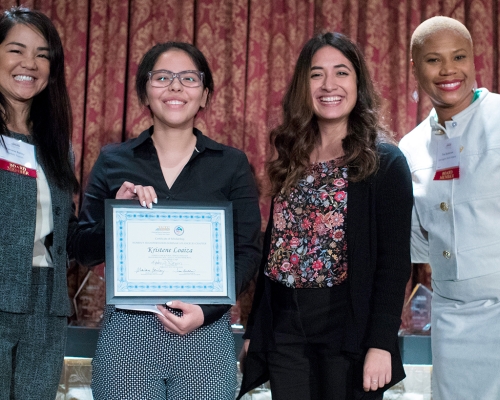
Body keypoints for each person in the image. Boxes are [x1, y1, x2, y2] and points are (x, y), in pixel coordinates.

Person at [69, 42, 262, 399]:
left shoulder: (231, 164)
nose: (175, 87)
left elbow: (249, 252)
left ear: (204, 95)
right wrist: (116, 215)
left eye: (188, 78)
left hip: (206, 333)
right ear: (145, 90)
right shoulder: (113, 160)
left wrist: (207, 311)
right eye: (162, 77)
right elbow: (81, 249)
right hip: (128, 334)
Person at [238, 32, 413, 400]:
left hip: (348, 328)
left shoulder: (384, 161)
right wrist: (256, 328)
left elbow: (395, 262)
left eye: (341, 73)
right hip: (286, 326)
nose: (328, 85)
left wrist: (381, 343)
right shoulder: (291, 155)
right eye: (316, 74)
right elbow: (275, 248)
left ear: (359, 82)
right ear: (303, 84)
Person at [399, 16, 500, 400]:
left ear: (475, 59)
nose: (448, 70)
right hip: (451, 318)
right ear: (415, 67)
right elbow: (417, 243)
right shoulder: (409, 147)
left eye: (459, 56)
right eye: (433, 60)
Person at [0, 6, 78, 399]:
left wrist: (120, 210)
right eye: (16, 50)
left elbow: (65, 228)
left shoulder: (57, 146)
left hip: (46, 303)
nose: (29, 63)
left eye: (42, 54)